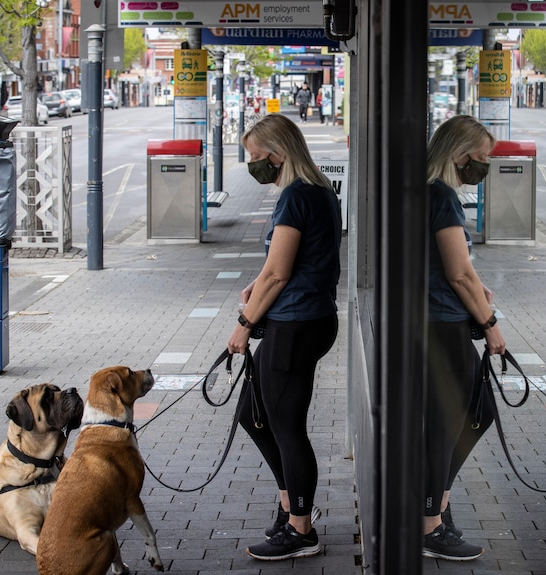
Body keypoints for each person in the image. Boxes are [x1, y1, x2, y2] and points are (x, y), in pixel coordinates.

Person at [227, 113, 342, 561]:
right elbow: (279, 265)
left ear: (279, 153)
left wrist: (244, 324)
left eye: (257, 157)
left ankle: (300, 529)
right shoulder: (320, 192)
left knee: (286, 427)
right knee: (254, 415)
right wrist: (257, 286)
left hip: (295, 325)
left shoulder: (296, 196)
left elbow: (279, 272)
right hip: (308, 320)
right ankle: (288, 501)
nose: (254, 165)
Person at [423, 115, 506, 561]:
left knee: (472, 413)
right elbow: (457, 273)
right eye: (481, 158)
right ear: (459, 154)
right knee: (452, 422)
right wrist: (491, 325)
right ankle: (429, 522)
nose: (483, 166)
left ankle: (437, 501)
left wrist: (478, 287)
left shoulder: (425, 193)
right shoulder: (442, 197)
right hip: (442, 325)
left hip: (432, 321)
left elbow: (458, 266)